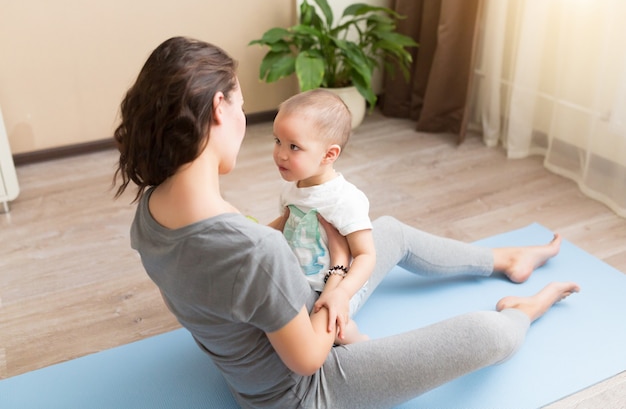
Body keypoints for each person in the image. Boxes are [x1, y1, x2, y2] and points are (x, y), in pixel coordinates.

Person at [113, 36, 580, 409]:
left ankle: (506, 257)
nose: (243, 120)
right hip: (303, 393)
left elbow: (243, 268)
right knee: (486, 332)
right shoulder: (255, 250)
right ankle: (525, 309)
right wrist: (338, 271)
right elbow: (308, 359)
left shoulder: (151, 209)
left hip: (287, 321)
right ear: (219, 108)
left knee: (388, 231)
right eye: (239, 105)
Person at [267, 89, 374, 345]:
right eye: (277, 141)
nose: (281, 154)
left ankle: (362, 343)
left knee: (339, 331)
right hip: (300, 284)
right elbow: (284, 224)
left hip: (337, 286)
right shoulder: (292, 187)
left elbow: (366, 256)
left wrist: (341, 293)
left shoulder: (343, 199)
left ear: (329, 155)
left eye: (294, 147)